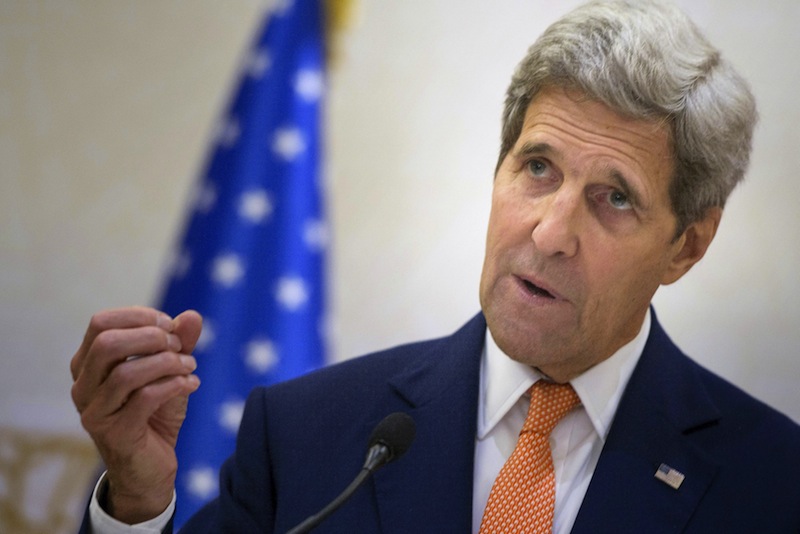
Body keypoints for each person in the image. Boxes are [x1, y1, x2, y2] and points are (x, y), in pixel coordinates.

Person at [72, 1, 800, 532]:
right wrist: (137, 501)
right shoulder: (303, 434)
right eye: (538, 167)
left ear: (687, 246)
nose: (551, 233)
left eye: (614, 198)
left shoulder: (775, 483)